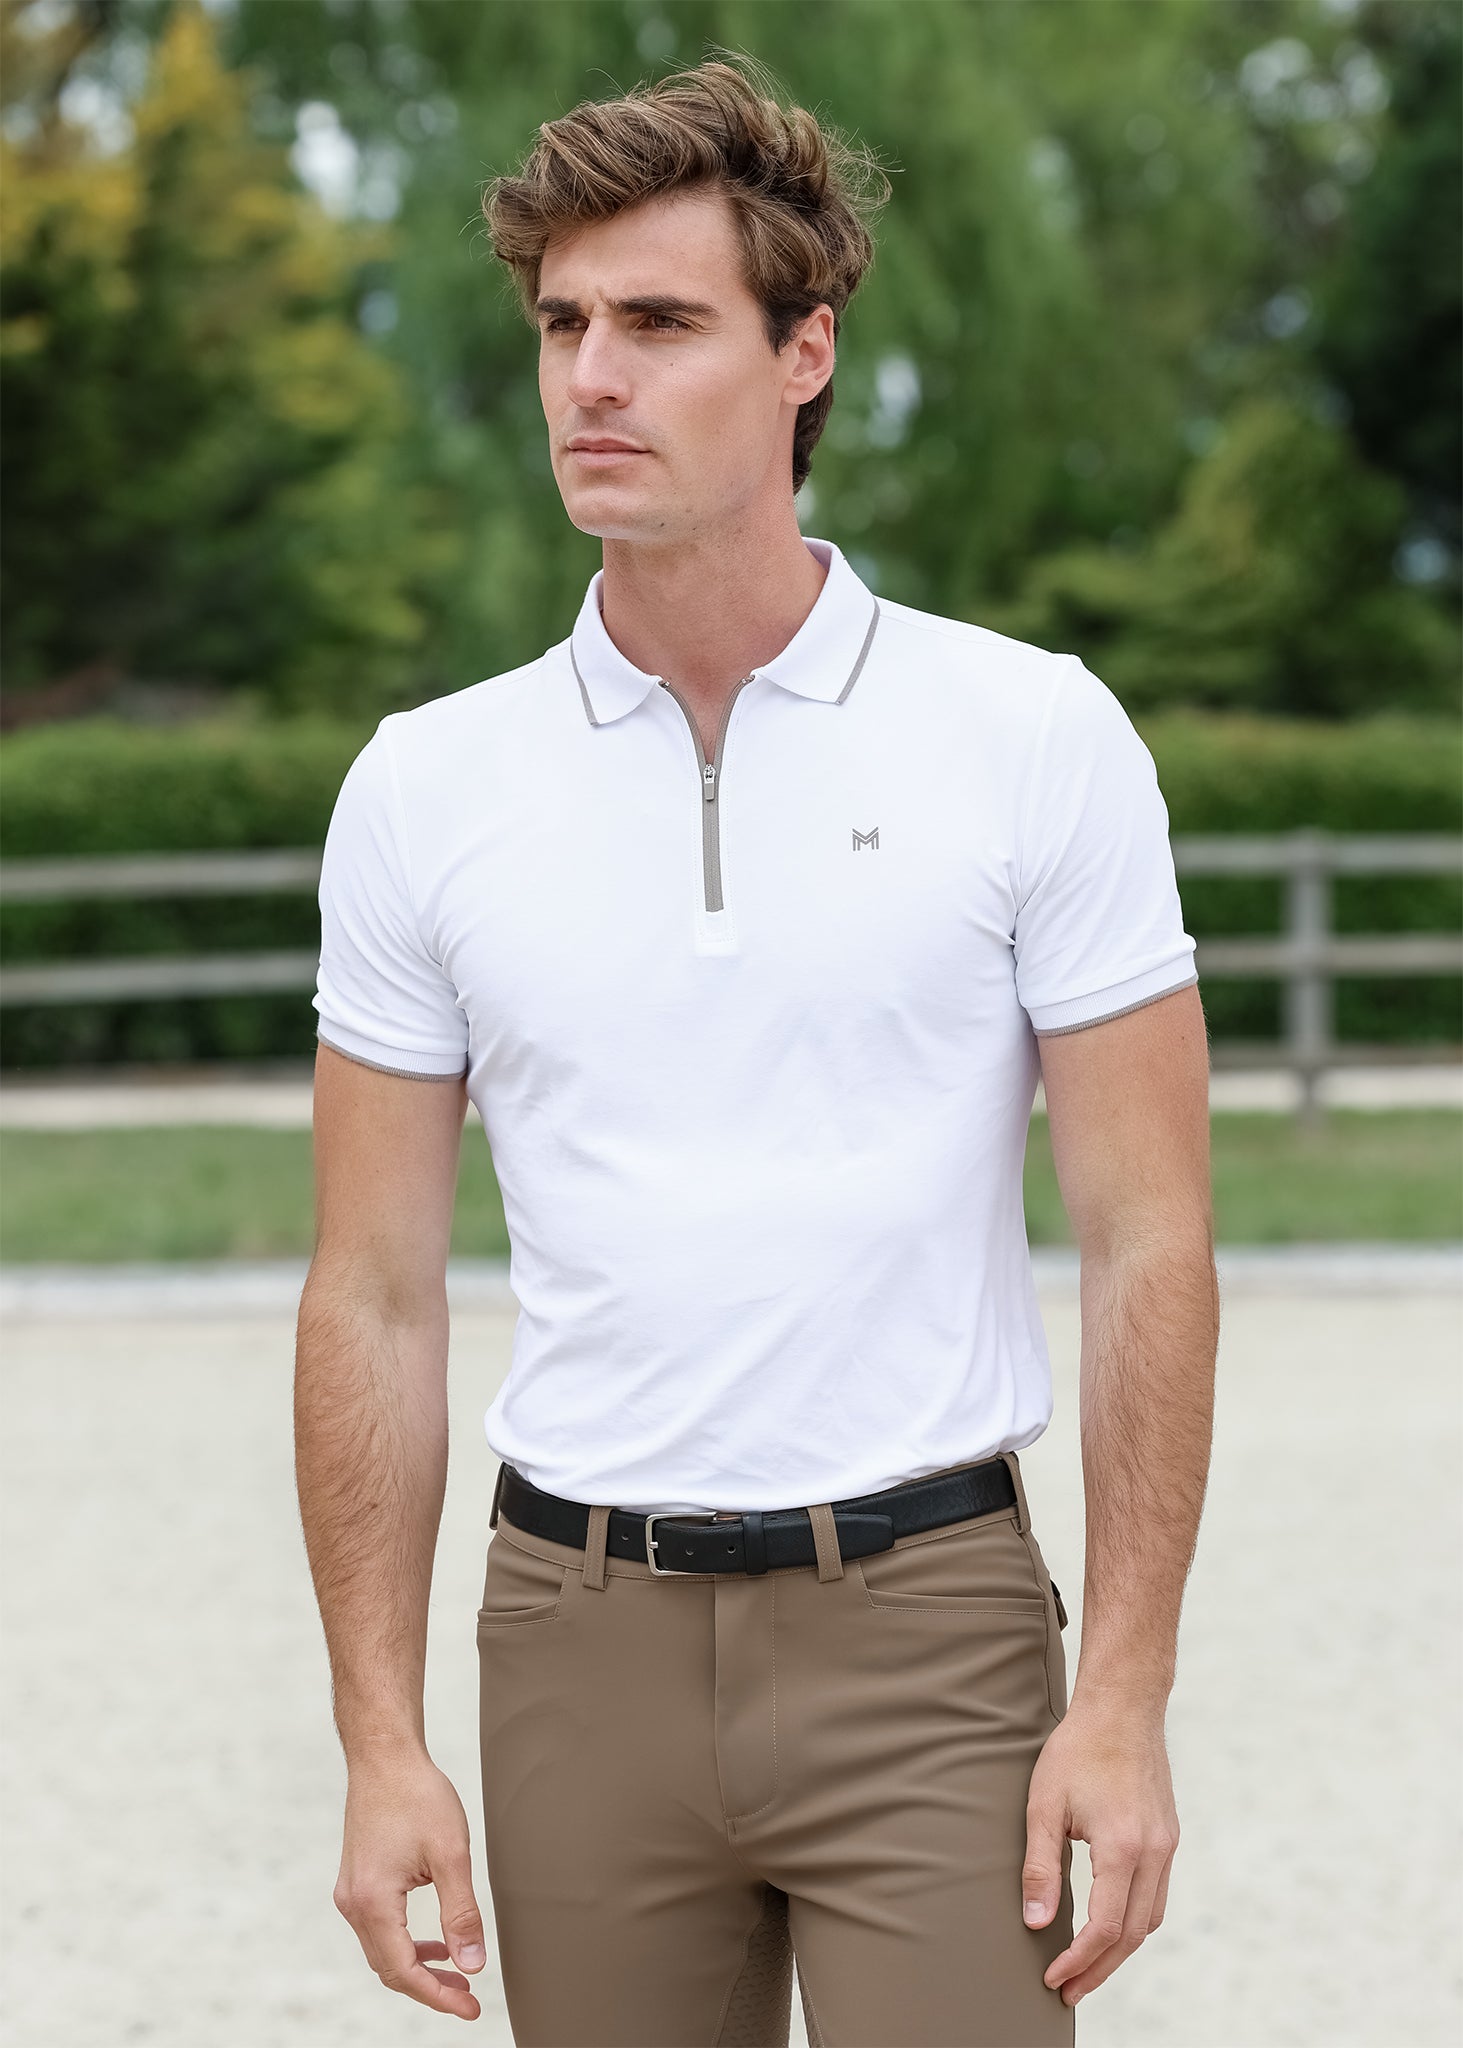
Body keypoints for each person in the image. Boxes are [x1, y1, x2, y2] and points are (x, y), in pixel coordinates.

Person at [294, 53, 1217, 2048]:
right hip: (574, 1640)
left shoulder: (1032, 738)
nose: (590, 378)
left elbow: (1153, 1242)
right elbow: (369, 1293)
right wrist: (379, 1739)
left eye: (658, 322)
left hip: (935, 1627)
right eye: (562, 325)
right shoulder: (425, 788)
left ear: (806, 354)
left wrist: (1126, 1695)